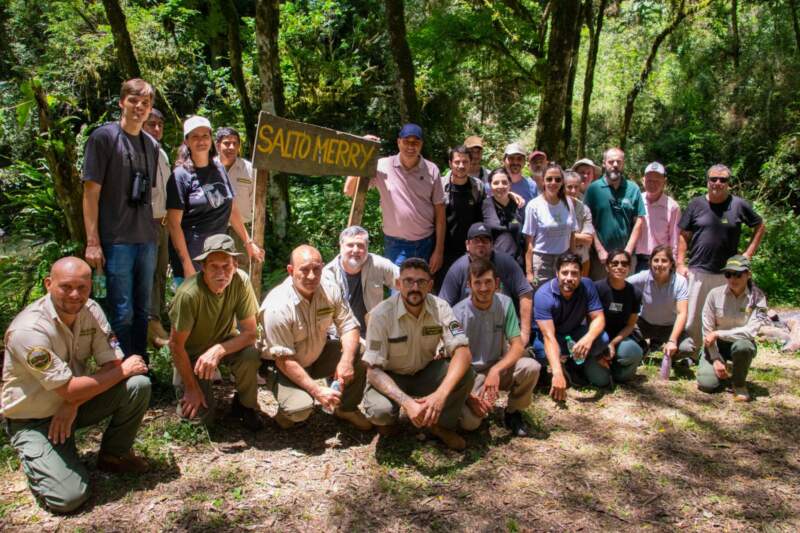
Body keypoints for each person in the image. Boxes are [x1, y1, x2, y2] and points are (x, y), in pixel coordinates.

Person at [1, 257, 151, 513]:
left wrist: (73, 402)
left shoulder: (91, 310)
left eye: (82, 287)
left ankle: (113, 456)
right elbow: (75, 385)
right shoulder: (30, 330)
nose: (75, 294)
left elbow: (112, 364)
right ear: (49, 284)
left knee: (137, 384)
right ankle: (38, 456)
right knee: (69, 498)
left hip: (73, 404)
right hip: (33, 420)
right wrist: (71, 395)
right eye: (66, 286)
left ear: (90, 286)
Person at [82, 78, 160, 359]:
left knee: (143, 309)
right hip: (116, 240)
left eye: (146, 103)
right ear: (121, 102)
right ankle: (120, 370)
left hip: (146, 239)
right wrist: (93, 241)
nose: (139, 107)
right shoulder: (103, 138)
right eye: (134, 101)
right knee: (121, 310)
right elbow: (90, 193)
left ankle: (140, 365)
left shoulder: (150, 145)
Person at [362, 258, 475, 450]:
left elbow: (463, 351)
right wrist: (407, 403)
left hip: (424, 372)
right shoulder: (380, 314)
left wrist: (440, 394)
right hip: (390, 375)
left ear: (430, 285)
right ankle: (391, 420)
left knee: (466, 372)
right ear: (398, 284)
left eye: (421, 282)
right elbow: (372, 371)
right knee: (381, 414)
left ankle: (440, 426)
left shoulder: (442, 308)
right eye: (408, 281)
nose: (415, 287)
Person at [261, 245, 372, 431]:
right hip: (283, 366)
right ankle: (286, 413)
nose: (312, 276)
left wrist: (345, 361)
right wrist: (317, 390)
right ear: (291, 271)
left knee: (358, 353)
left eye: (316, 269)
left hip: (316, 355)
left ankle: (346, 408)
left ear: (322, 267)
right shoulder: (277, 305)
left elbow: (349, 325)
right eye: (304, 270)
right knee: (300, 410)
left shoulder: (329, 288)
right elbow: (284, 360)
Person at [168, 235, 264, 430]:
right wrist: (191, 388)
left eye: (226, 266)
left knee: (250, 354)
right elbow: (176, 345)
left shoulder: (241, 282)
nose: (221, 273)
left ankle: (246, 406)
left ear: (235, 265)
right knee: (197, 423)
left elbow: (250, 333)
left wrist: (219, 350)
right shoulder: (189, 294)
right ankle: (190, 385)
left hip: (224, 343)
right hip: (191, 355)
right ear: (203, 266)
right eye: (214, 266)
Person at [677, 164, 765, 353]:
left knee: (722, 317)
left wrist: (748, 253)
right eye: (713, 179)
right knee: (693, 318)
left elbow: (759, 226)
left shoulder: (738, 205)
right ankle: (692, 353)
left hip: (728, 274)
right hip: (698, 271)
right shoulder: (696, 204)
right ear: (707, 181)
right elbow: (683, 235)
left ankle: (719, 352)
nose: (718, 183)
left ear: (728, 183)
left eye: (723, 180)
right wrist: (680, 262)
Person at [166, 116, 264, 285]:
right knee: (194, 310)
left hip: (217, 256)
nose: (201, 141)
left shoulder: (218, 169)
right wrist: (187, 265)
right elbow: (174, 225)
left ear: (211, 140)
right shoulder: (180, 176)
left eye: (205, 136)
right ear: (187, 141)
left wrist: (248, 243)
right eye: (195, 136)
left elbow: (231, 209)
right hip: (192, 256)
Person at [453, 258, 539, 437]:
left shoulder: (505, 304)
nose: (483, 288)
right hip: (470, 373)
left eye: (488, 282)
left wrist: (496, 370)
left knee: (531, 367)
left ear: (497, 283)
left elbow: (516, 345)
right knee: (470, 424)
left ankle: (513, 412)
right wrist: (468, 394)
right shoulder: (457, 313)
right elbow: (452, 357)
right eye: (477, 283)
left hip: (497, 366)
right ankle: (472, 406)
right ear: (469, 285)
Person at [344, 124, 445, 273]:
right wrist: (362, 151)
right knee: (398, 290)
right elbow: (349, 190)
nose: (411, 146)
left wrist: (439, 251)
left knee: (423, 291)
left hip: (426, 243)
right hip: (396, 245)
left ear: (421, 144)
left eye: (415, 142)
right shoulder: (383, 166)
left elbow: (440, 213)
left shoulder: (431, 170)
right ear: (398, 142)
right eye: (406, 141)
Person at [439, 222, 533, 346]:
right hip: (469, 334)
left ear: (492, 244)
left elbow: (525, 293)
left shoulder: (507, 263)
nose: (480, 244)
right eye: (476, 240)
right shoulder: (457, 269)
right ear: (467, 245)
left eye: (485, 240)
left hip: (502, 331)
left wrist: (524, 334)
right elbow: (442, 307)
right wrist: (454, 339)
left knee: (530, 365)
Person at [532, 253, 610, 398]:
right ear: (557, 273)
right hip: (550, 337)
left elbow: (599, 318)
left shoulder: (587, 285)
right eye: (564, 273)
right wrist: (556, 373)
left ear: (581, 275)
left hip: (572, 333)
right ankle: (553, 370)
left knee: (602, 339)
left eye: (574, 273)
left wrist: (588, 338)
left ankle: (572, 365)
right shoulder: (543, 295)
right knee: (541, 353)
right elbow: (548, 337)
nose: (569, 278)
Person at [697, 255, 768, 402]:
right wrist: (715, 358)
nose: (732, 279)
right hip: (715, 345)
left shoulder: (758, 298)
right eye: (728, 274)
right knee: (707, 385)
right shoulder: (714, 294)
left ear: (748, 274)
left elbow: (751, 331)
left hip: (741, 343)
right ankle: (718, 365)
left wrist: (719, 333)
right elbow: (707, 330)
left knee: (743, 347)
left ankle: (739, 383)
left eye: (738, 274)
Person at [627, 244, 695, 379]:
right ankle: (642, 348)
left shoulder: (680, 281)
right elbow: (621, 284)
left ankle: (671, 356)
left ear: (671, 264)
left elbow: (682, 313)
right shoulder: (643, 276)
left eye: (664, 260)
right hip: (644, 323)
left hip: (669, 327)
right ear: (650, 262)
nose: (659, 264)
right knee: (624, 339)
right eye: (656, 260)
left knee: (687, 348)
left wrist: (672, 341)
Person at [583, 147, 646, 280]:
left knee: (626, 293)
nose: (615, 165)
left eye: (619, 161)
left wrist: (628, 250)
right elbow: (587, 221)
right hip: (600, 258)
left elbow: (639, 221)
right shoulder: (593, 189)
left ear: (623, 163)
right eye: (611, 162)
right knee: (601, 293)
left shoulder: (632, 188)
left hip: (626, 256)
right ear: (604, 163)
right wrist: (600, 250)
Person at [322, 226, 399, 332]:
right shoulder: (328, 275)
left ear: (367, 247)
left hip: (374, 330)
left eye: (360, 245)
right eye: (350, 245)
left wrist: (394, 310)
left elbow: (406, 282)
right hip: (340, 334)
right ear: (341, 246)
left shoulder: (378, 264)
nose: (356, 250)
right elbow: (325, 315)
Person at [142, 108, 170, 349]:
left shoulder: (161, 154)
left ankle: (159, 316)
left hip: (163, 222)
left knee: (161, 273)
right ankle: (152, 324)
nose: (157, 129)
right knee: (149, 274)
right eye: (152, 124)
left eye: (160, 125)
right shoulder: (136, 150)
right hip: (145, 222)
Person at [593, 250, 644, 384]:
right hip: (596, 338)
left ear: (629, 268)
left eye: (624, 264)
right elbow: (587, 320)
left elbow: (630, 325)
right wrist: (601, 345)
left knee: (634, 353)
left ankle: (616, 370)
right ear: (607, 267)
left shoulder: (635, 293)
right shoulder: (597, 288)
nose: (619, 267)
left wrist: (613, 343)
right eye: (615, 263)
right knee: (600, 381)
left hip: (619, 338)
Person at [438, 145, 486, 288]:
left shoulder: (477, 187)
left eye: (465, 162)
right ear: (450, 163)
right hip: (444, 250)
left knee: (468, 289)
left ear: (471, 163)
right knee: (445, 291)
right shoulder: (439, 186)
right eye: (457, 162)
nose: (461, 166)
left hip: (470, 251)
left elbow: (493, 200)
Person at [522, 164, 577, 288]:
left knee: (563, 295)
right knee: (540, 296)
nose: (553, 183)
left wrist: (573, 259)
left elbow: (572, 234)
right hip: (542, 261)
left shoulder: (568, 203)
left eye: (558, 179)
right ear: (543, 181)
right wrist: (529, 272)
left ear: (562, 182)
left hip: (564, 258)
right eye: (549, 179)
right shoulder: (534, 205)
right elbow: (529, 243)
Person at [634, 162, 680, 273]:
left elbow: (674, 239)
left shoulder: (672, 207)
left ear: (664, 182)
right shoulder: (636, 200)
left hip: (661, 261)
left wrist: (673, 264)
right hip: (637, 259)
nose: (652, 184)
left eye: (657, 181)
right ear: (643, 180)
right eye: (649, 180)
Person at [481, 169, 525, 266]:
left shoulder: (517, 204)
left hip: (517, 264)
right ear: (490, 185)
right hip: (493, 264)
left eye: (504, 182)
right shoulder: (484, 205)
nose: (500, 186)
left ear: (510, 184)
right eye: (496, 183)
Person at [564, 170, 595, 277]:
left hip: (582, 260)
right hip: (560, 260)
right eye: (569, 187)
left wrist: (565, 235)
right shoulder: (555, 208)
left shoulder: (584, 209)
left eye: (576, 187)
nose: (573, 191)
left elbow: (588, 239)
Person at [499, 143, 538, 216]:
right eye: (511, 158)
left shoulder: (532, 186)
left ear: (524, 162)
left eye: (519, 158)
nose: (515, 162)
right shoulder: (494, 184)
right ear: (504, 160)